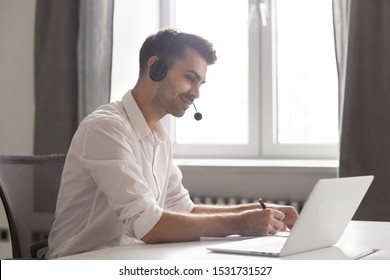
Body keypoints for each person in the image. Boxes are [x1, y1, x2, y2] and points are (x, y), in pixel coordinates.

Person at [46, 29, 298, 259]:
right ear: (156, 67)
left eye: (200, 83)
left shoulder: (159, 136)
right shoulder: (105, 127)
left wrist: (261, 210)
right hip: (81, 262)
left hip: (128, 259)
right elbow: (149, 225)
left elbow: (184, 210)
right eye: (190, 78)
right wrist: (240, 223)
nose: (196, 93)